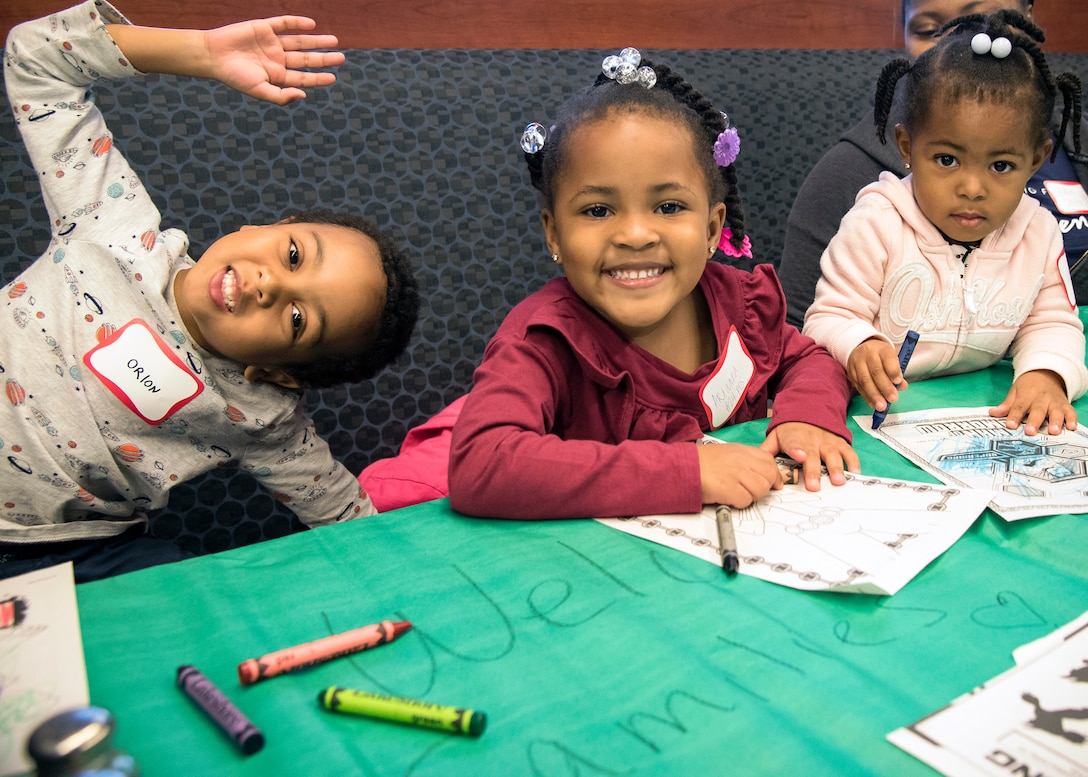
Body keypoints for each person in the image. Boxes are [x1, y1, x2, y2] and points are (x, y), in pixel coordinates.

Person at [0, 1, 420, 581]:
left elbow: (344, 511)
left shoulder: (262, 417)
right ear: (258, 229)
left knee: (176, 582)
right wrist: (196, 51)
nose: (272, 283)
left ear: (278, 374)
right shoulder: (114, 227)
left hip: (59, 549)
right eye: (293, 254)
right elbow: (36, 59)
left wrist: (415, 579)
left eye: (299, 319)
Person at [447, 47, 859, 521]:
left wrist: (806, 414)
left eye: (668, 207)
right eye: (598, 210)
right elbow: (482, 463)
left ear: (711, 228)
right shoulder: (544, 341)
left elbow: (808, 358)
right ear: (553, 232)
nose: (636, 236)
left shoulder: (738, 306)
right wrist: (689, 471)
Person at [803, 10, 1088, 439]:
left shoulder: (1038, 231)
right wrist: (857, 343)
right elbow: (827, 316)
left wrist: (1047, 374)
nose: (972, 188)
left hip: (986, 419)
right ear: (907, 147)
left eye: (1001, 165)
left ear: (1035, 160)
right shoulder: (876, 222)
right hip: (875, 416)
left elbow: (1053, 323)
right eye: (947, 160)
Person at [778, 0, 1088, 329]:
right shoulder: (852, 180)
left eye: (984, 20)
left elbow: (1053, 321)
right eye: (930, 30)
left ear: (1027, 17)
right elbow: (797, 333)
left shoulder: (1042, 218)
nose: (962, 43)